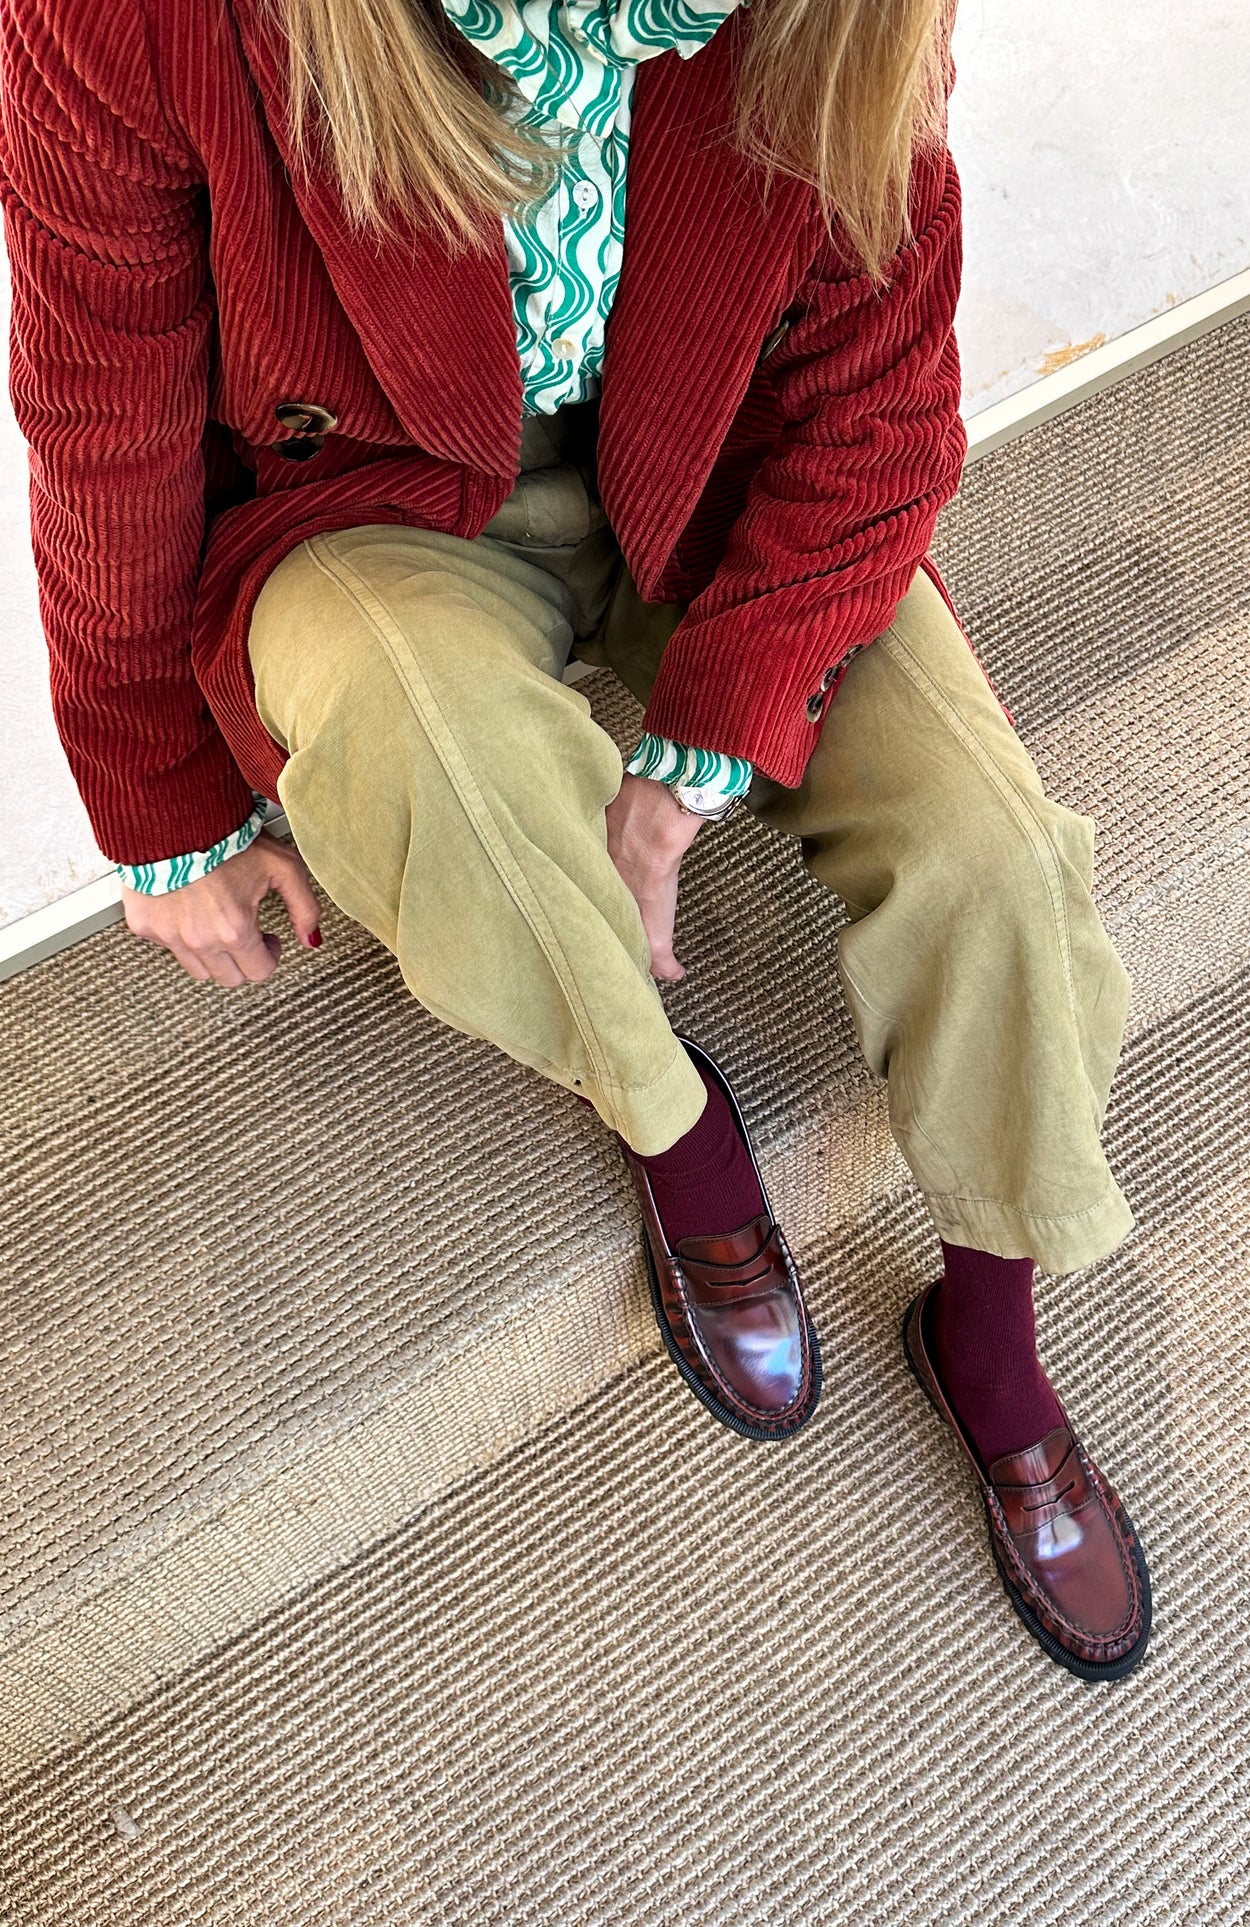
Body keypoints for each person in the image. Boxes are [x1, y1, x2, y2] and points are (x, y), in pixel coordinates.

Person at [0, 0, 1150, 1679]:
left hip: (726, 455)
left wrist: (695, 761)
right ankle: (676, 1132)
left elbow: (880, 396)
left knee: (992, 851)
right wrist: (156, 796)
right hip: (369, 495)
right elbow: (106, 413)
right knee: (446, 777)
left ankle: (990, 1320)